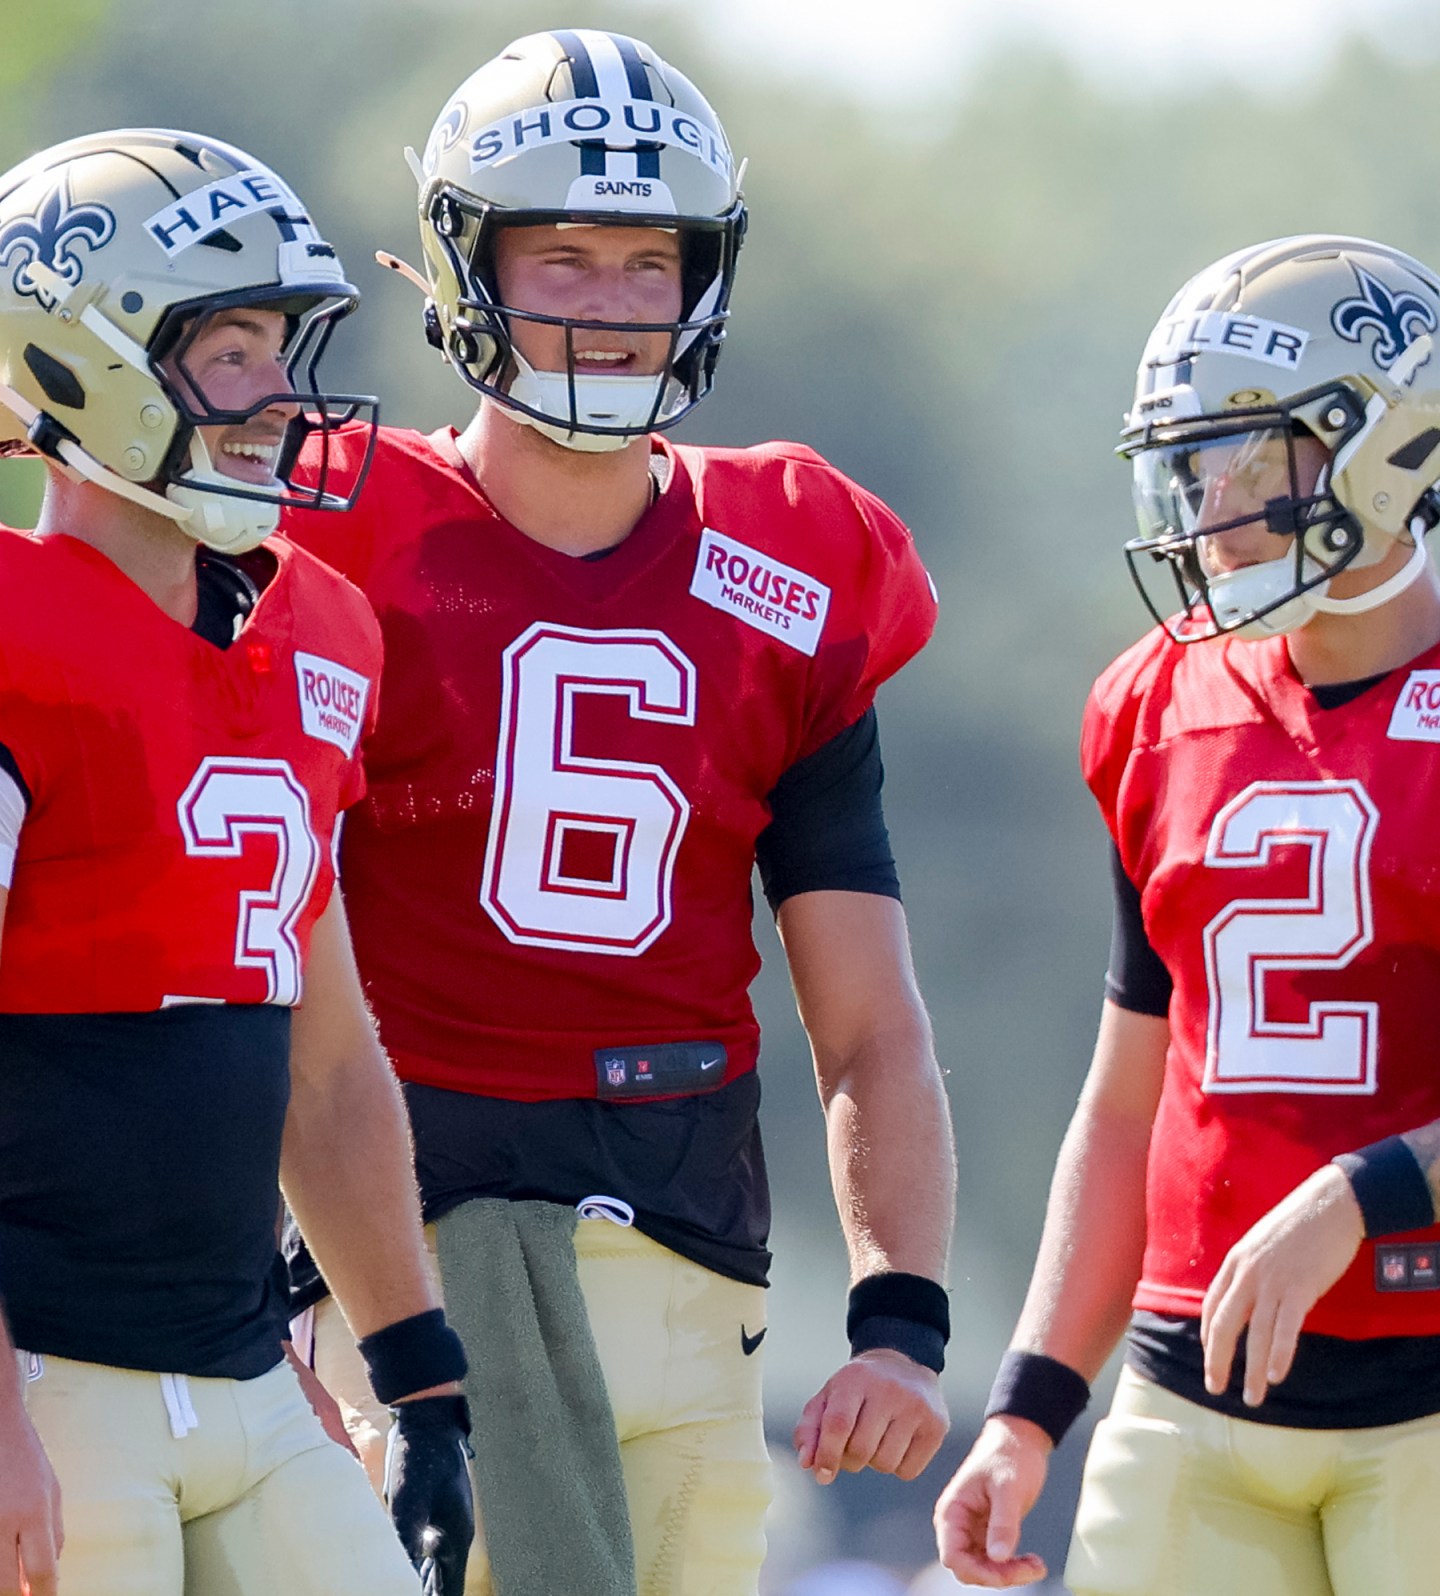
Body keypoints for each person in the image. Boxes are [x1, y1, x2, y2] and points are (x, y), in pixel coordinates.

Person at [933, 235, 1440, 1595]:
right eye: (1196, 458)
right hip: (1188, 1395)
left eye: (1253, 456)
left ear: (1396, 451)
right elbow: (1130, 1101)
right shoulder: (1155, 709)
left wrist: (1362, 1197)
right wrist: (1029, 1403)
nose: (1212, 497)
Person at [285, 31, 956, 1596]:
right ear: (465, 264)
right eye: (561, 254)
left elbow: (868, 1019)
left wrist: (904, 1318)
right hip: (411, 1243)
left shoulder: (797, 559)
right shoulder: (322, 528)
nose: (603, 300)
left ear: (702, 280)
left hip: (689, 1256)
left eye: (645, 260)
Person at [0, 129, 470, 1596]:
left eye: (278, 346)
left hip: (242, 1375)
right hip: (35, 1367)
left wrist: (419, 1381)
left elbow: (329, 1060)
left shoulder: (321, 635)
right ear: (73, 363)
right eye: (232, 348)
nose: (280, 396)